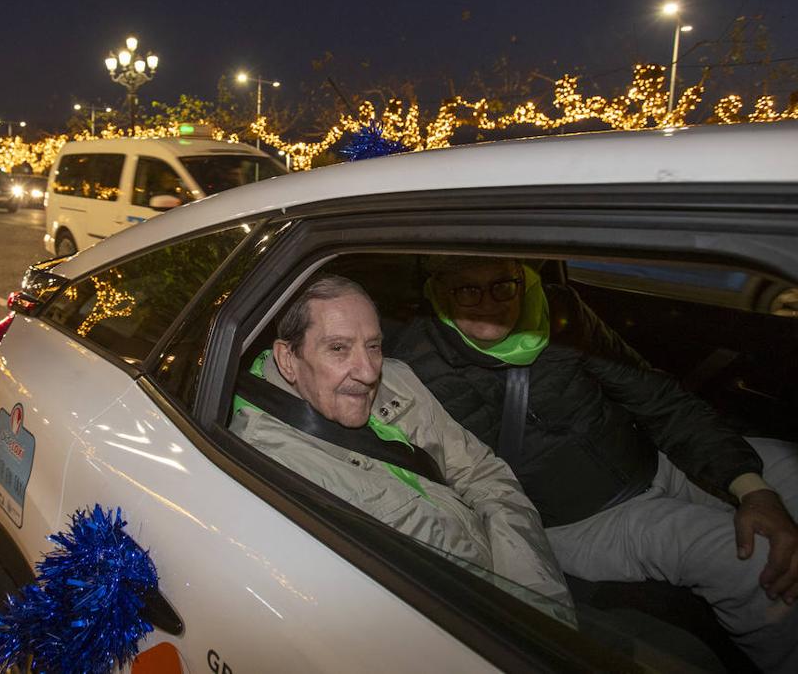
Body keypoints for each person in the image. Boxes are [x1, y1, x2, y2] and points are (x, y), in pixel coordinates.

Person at [386, 255, 798, 672]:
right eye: (466, 289)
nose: (488, 302)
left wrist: (751, 488)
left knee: (787, 469)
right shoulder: (417, 368)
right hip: (578, 522)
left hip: (651, 460)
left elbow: (656, 397)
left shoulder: (559, 312)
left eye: (502, 285)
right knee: (750, 560)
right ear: (438, 292)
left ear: (524, 279)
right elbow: (457, 488)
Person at [230, 274, 574, 620]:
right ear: (288, 359)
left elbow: (483, 472)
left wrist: (535, 605)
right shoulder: (267, 467)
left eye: (374, 346)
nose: (367, 372)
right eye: (338, 348)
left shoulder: (396, 377)